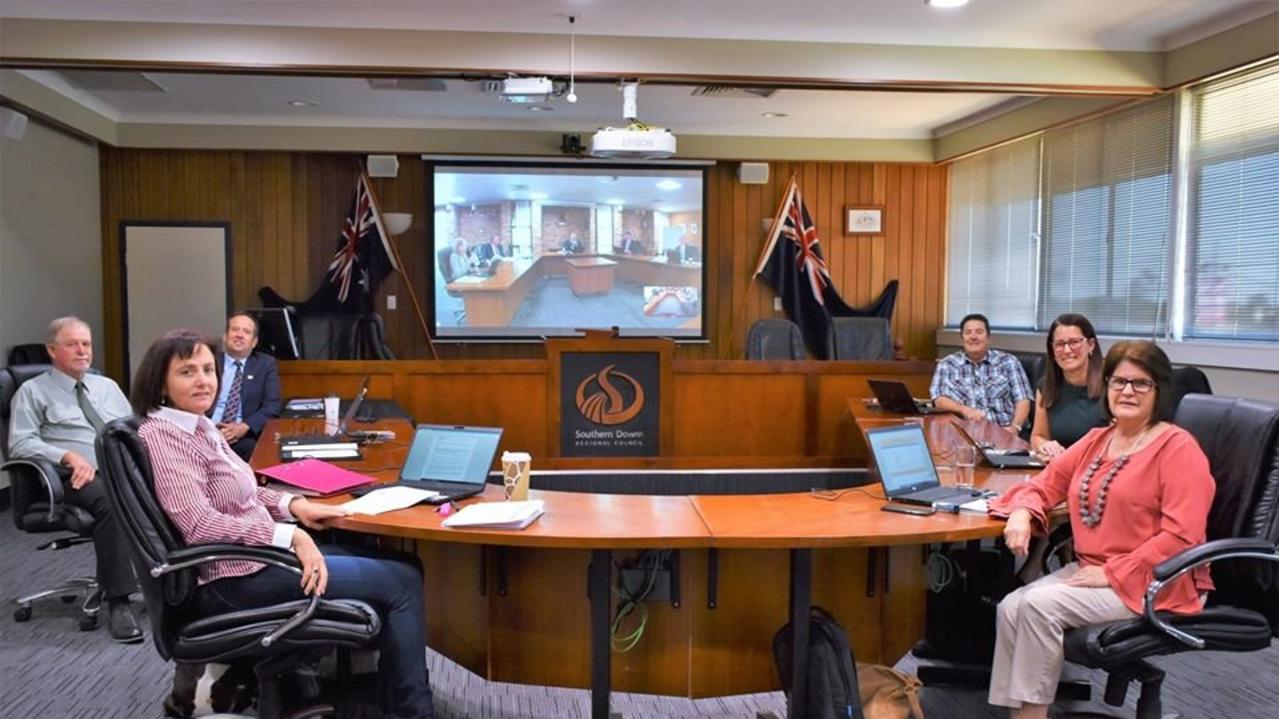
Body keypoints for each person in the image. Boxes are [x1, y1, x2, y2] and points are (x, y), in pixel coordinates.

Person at [133, 331, 435, 719]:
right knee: (402, 583)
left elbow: (242, 493)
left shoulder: (199, 425)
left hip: (256, 559)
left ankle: (393, 692)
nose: (203, 380)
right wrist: (289, 535)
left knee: (406, 567)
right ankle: (412, 711)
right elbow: (199, 524)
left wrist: (296, 505)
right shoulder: (164, 436)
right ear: (160, 381)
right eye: (187, 372)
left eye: (209, 369)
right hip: (229, 579)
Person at [987, 340, 1214, 718]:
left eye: (1141, 383)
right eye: (1118, 382)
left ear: (1159, 391)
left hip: (1156, 581)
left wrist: (1111, 572)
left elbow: (1182, 537)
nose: (1127, 391)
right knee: (1011, 606)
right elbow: (1044, 484)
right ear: (1106, 388)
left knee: (1037, 607)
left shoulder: (1178, 449)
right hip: (1095, 572)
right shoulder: (1098, 440)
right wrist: (1022, 513)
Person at [7, 316, 142, 643]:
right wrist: (67, 456)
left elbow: (132, 430)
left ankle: (177, 585)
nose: (82, 351)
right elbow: (20, 442)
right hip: (69, 479)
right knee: (113, 502)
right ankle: (119, 601)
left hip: (118, 470)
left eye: (86, 344)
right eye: (72, 344)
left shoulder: (107, 386)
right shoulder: (32, 391)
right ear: (52, 350)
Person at [930, 313, 1032, 433]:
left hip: (1003, 429)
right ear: (962, 338)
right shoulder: (947, 365)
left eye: (979, 332)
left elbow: (1023, 399)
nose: (973, 337)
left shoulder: (1008, 362)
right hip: (963, 432)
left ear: (988, 337)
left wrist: (1015, 428)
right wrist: (965, 410)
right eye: (968, 332)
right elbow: (939, 399)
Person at [1030, 313, 1106, 462]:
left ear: (1091, 345)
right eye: (1059, 344)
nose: (1066, 350)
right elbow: (1038, 436)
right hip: (1058, 469)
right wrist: (1046, 446)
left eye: (1074, 342)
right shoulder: (1045, 386)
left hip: (1096, 470)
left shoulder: (1112, 387)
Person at [210, 312, 281, 461]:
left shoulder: (265, 364)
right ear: (225, 336)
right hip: (206, 430)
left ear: (254, 342)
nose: (239, 335)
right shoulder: (210, 361)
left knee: (254, 449)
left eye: (246, 332)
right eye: (235, 329)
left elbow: (272, 406)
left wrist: (244, 426)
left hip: (241, 436)